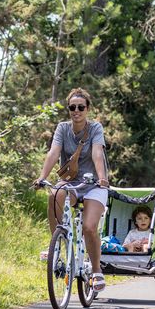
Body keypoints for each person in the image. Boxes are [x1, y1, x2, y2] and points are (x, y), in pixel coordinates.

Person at [34, 87, 110, 292]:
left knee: (89, 227)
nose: (76, 111)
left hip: (94, 184)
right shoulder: (62, 128)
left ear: (87, 109)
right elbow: (53, 153)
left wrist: (102, 178)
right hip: (71, 183)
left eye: (80, 107)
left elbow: (96, 153)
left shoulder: (95, 128)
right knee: (54, 194)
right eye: (72, 107)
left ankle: (96, 271)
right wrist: (42, 177)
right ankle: (56, 246)